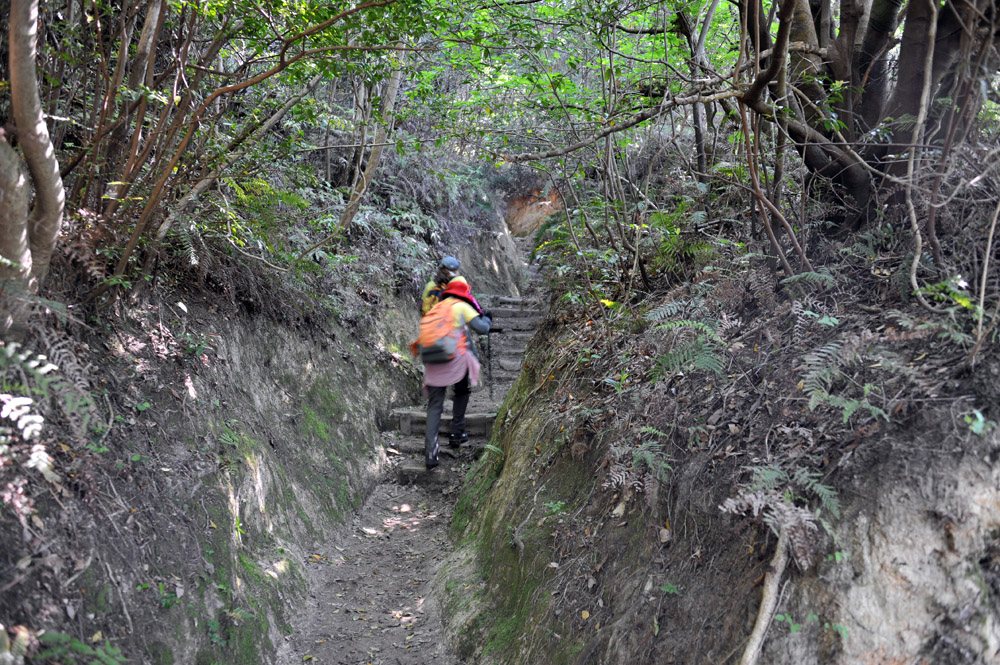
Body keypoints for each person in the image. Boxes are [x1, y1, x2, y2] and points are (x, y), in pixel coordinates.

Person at [422, 276, 491, 469]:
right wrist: (488, 317)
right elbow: (483, 328)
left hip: (433, 359)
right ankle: (456, 433)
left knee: (435, 405)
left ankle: (430, 455)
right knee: (461, 391)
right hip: (455, 358)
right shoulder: (461, 306)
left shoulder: (436, 308)